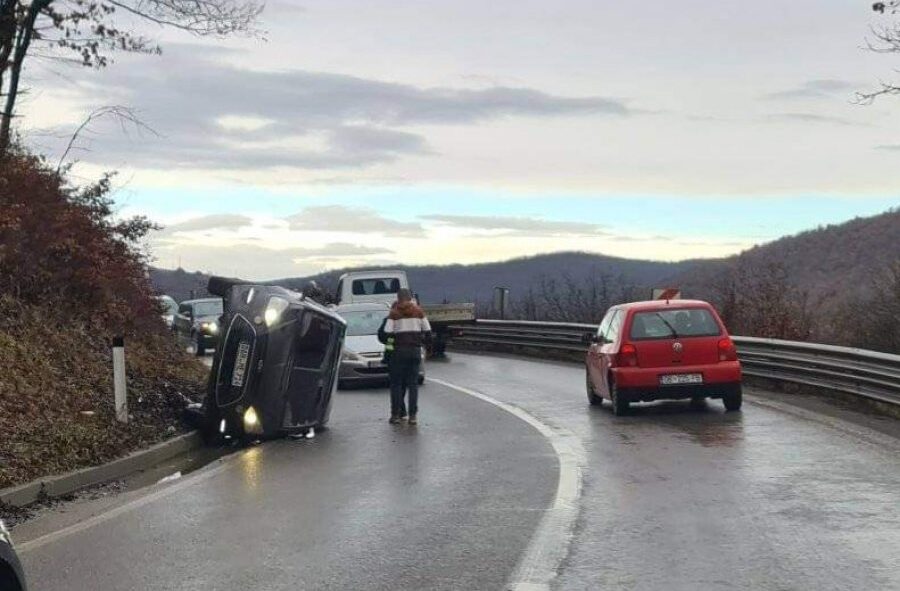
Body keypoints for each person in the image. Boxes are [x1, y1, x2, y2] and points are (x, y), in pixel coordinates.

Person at [383, 288, 431, 425]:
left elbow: (387, 333)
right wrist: (425, 346)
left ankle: (396, 415)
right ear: (410, 298)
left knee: (396, 384)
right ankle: (413, 416)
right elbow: (427, 331)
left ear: (398, 298)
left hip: (399, 352)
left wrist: (391, 346)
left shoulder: (394, 313)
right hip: (414, 351)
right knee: (413, 384)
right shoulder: (419, 311)